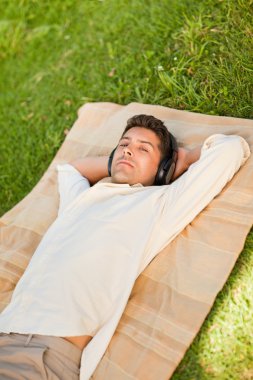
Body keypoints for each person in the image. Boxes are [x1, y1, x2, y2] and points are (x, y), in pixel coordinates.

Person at [0, 114, 250, 380]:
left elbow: (230, 149)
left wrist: (185, 160)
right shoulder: (84, 198)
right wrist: (116, 165)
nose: (129, 149)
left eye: (144, 149)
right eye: (123, 145)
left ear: (164, 168)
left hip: (45, 354)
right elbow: (72, 170)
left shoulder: (159, 205)